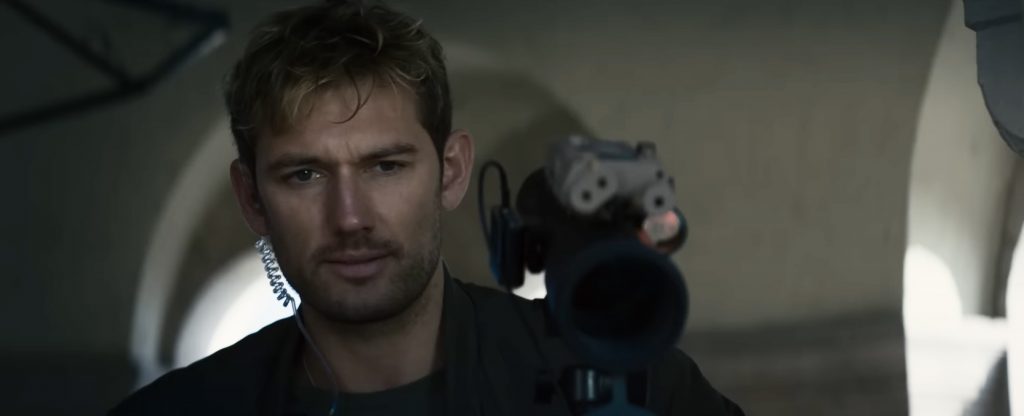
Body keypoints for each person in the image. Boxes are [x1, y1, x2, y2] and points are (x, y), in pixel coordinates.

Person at [110, 1, 744, 415]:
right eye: (304, 174)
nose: (350, 216)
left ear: (452, 171)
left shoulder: (625, 382)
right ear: (252, 197)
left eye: (385, 166)